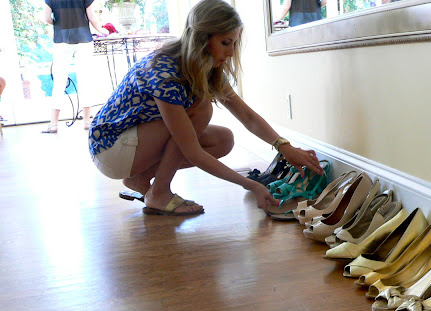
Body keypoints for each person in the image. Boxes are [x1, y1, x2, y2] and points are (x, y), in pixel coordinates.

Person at [88, 0, 323, 216]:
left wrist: (284, 146)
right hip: (110, 148)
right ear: (201, 39)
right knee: (202, 109)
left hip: (132, 143)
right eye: (225, 43)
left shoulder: (205, 68)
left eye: (234, 43)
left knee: (223, 139)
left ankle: (141, 180)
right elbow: (191, 150)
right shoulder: (164, 71)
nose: (231, 52)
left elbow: (247, 116)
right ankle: (159, 193)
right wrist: (251, 184)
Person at [42, 0, 109, 133]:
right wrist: (103, 30)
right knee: (85, 79)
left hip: (61, 39)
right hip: (83, 38)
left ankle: (54, 124)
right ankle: (87, 121)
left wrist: (59, 23)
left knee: (59, 81)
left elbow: (46, 18)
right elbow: (92, 17)